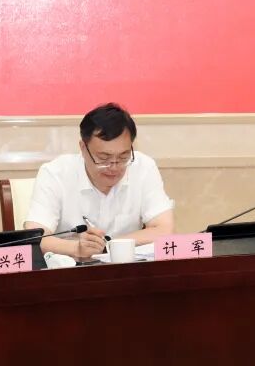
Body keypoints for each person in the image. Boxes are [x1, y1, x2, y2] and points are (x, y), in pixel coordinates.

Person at [24, 103, 175, 259]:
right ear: (83, 148)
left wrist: (109, 244)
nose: (114, 167)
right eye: (104, 158)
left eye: (123, 157)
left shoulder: (144, 167)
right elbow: (35, 237)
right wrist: (76, 248)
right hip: (72, 269)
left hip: (127, 269)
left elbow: (164, 229)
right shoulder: (55, 174)